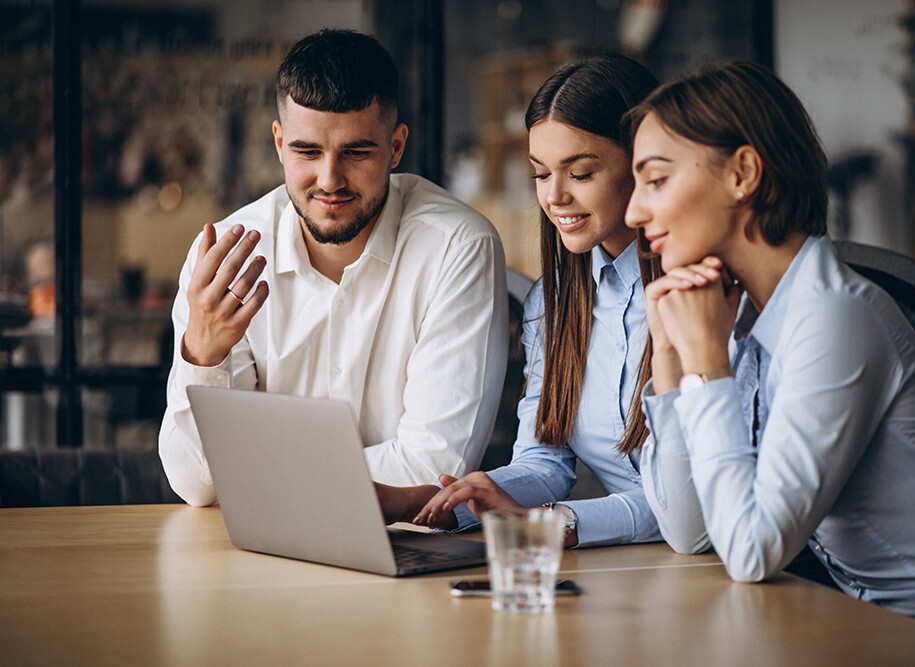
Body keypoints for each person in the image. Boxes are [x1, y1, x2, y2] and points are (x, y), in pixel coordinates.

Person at [625, 59, 915, 629]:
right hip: (875, 621)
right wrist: (672, 359)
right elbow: (690, 531)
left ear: (742, 173)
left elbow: (751, 553)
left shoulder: (834, 315)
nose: (633, 212)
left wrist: (707, 361)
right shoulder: (747, 311)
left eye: (655, 180)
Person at [159, 29, 508, 507]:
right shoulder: (221, 260)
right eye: (307, 152)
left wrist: (251, 473)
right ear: (279, 144)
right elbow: (197, 484)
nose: (329, 180)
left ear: (397, 146)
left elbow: (433, 470)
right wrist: (203, 353)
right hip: (254, 554)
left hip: (405, 556)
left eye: (356, 152)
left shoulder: (457, 247)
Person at [380, 54, 682, 549]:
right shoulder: (557, 301)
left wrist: (554, 522)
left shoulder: (698, 295)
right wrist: (440, 501)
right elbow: (545, 463)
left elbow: (690, 506)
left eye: (580, 173)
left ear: (643, 166)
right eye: (541, 174)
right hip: (642, 566)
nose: (555, 197)